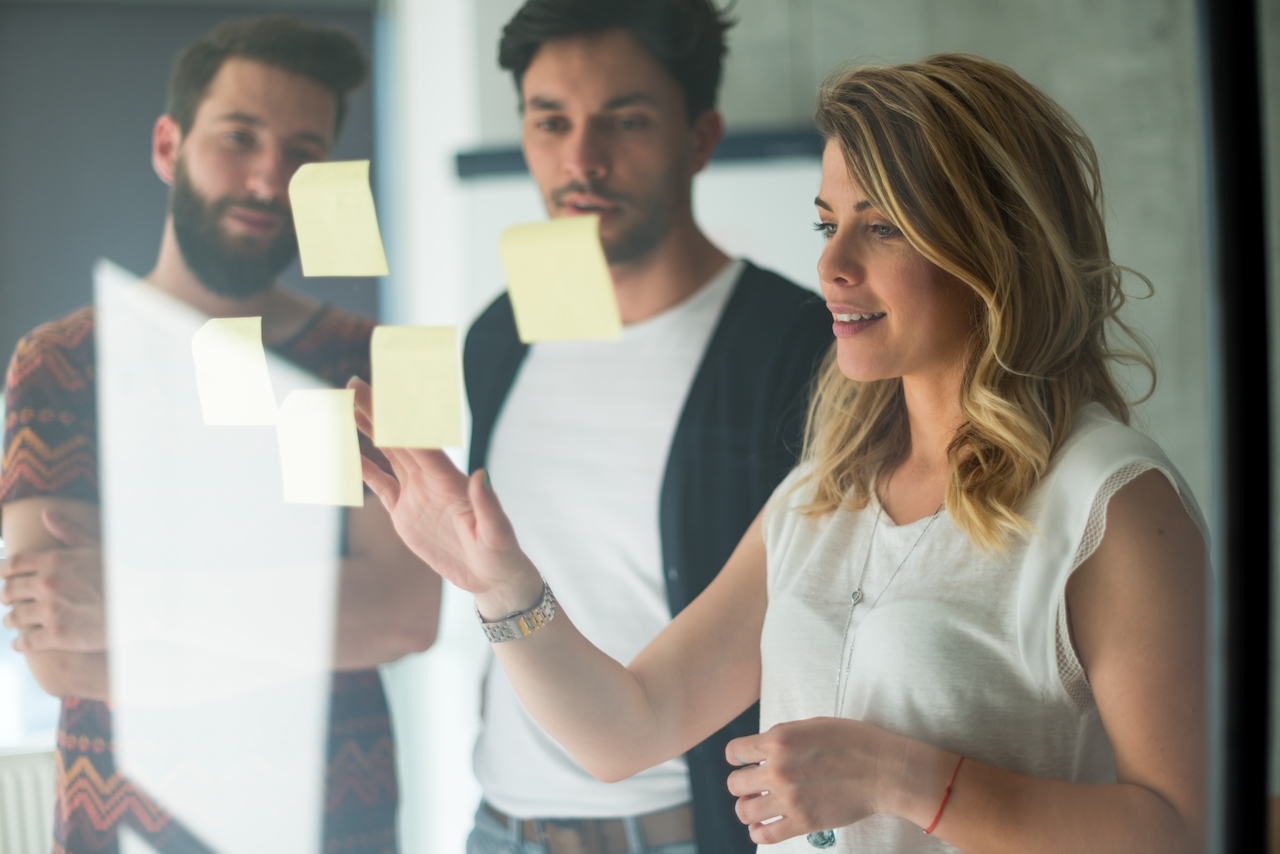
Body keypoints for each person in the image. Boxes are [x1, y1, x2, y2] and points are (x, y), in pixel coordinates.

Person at [351, 52, 1208, 853]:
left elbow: (1175, 828)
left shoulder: (1110, 501)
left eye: (883, 228)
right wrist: (500, 585)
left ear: (995, 246)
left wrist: (905, 779)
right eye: (828, 222)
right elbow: (627, 728)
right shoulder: (818, 499)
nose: (831, 263)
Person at [0, 16, 438, 854]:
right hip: (120, 825)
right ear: (169, 145)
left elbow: (405, 617)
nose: (270, 178)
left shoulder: (383, 360)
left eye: (304, 151)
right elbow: (62, 656)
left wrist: (131, 599)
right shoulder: (58, 361)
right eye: (239, 136)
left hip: (335, 823)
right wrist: (317, 619)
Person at [460, 1, 833, 852]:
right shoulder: (500, 336)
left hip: (684, 833)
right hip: (498, 826)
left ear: (699, 137)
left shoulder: (801, 347)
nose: (580, 159)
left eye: (623, 121)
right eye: (550, 120)